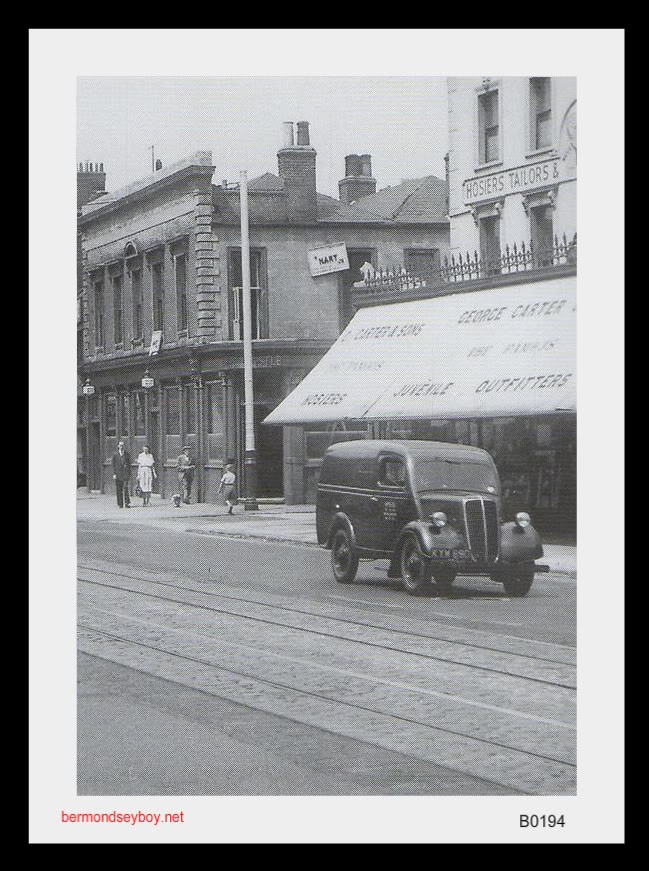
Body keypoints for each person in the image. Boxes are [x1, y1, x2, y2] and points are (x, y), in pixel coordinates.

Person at [111, 441, 132, 508]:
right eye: (120, 445)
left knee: (125, 488)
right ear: (118, 446)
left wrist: (129, 473)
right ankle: (120, 503)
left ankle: (127, 503)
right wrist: (114, 473)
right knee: (119, 489)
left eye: (122, 445)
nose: (121, 447)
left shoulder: (127, 454)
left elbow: (129, 464)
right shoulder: (115, 454)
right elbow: (113, 465)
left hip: (125, 474)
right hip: (118, 474)